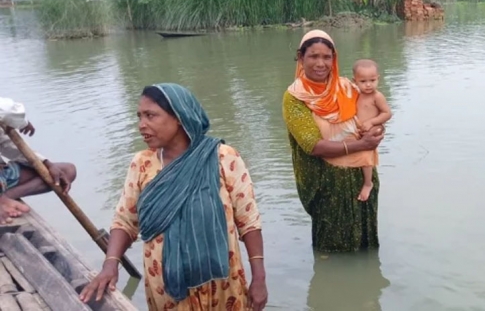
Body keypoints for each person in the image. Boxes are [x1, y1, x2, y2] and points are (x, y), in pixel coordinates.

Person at [79, 83, 268, 310]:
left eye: (151, 116)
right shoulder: (142, 164)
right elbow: (125, 221)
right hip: (166, 291)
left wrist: (259, 278)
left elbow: (248, 221)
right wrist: (110, 265)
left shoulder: (222, 157)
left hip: (223, 287)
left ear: (179, 116)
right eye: (139, 116)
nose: (142, 125)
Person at [282, 29, 384, 253]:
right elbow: (313, 145)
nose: (320, 63)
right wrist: (362, 144)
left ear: (334, 58)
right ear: (301, 58)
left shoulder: (348, 87)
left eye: (326, 57)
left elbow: (372, 115)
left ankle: (368, 284)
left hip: (361, 178)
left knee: (365, 244)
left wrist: (376, 130)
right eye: (313, 56)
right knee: (331, 248)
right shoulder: (295, 98)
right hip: (326, 185)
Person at [0, 96, 77, 224]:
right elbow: (6, 110)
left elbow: (7, 144)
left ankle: (5, 197)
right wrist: (23, 122)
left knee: (67, 171)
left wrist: (46, 163)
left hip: (3, 176)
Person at [351, 59, 392, 202]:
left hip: (372, 130)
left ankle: (368, 183)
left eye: (372, 80)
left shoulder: (377, 96)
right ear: (354, 81)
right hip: (357, 129)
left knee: (366, 155)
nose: (368, 85)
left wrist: (372, 122)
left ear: (378, 79)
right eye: (363, 81)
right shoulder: (354, 94)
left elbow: (387, 113)